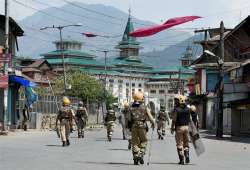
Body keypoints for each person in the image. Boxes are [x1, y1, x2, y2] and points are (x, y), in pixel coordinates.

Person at [128, 92, 155, 165]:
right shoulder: (145, 107)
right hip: (142, 126)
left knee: (135, 142)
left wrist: (128, 127)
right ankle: (141, 153)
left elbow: (129, 119)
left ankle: (136, 155)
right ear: (141, 99)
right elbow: (151, 118)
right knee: (144, 141)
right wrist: (153, 123)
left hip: (134, 126)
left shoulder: (130, 107)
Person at [171, 95, 193, 165]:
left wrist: (172, 128)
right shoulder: (188, 109)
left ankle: (181, 160)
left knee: (179, 144)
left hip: (179, 128)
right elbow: (190, 119)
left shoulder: (177, 110)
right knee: (186, 143)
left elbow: (174, 120)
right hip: (187, 127)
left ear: (179, 101)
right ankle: (187, 155)